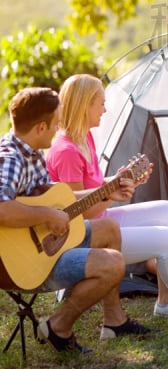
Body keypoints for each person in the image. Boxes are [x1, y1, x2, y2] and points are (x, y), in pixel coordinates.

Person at [46, 74, 168, 328]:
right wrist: (112, 193)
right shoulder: (66, 152)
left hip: (102, 218)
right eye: (100, 103)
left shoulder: (84, 138)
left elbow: (93, 188)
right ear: (85, 104)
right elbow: (78, 214)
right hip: (86, 236)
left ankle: (165, 302)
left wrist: (119, 179)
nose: (105, 109)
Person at [0, 87, 129, 354]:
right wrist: (47, 215)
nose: (59, 128)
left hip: (43, 244)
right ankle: (59, 326)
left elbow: (57, 199)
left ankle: (115, 322)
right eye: (56, 123)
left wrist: (105, 191)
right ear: (41, 127)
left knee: (109, 229)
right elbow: (2, 208)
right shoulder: (11, 159)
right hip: (22, 265)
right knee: (113, 263)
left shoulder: (33, 153)